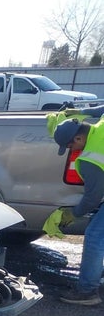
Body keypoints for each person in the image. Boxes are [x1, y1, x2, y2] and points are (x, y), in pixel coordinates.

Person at [51, 111, 104, 306]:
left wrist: (72, 214)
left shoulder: (90, 159)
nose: (72, 150)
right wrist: (87, 111)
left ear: (79, 137)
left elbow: (92, 199)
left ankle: (88, 291)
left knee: (94, 237)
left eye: (70, 145)